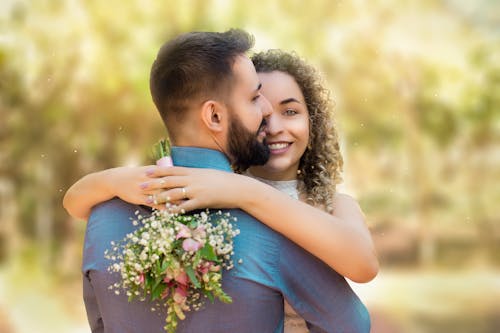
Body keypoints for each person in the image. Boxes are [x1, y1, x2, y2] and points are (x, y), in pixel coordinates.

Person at [64, 32, 376, 332]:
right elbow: (349, 325)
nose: (267, 114)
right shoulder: (272, 227)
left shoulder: (103, 217)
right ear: (214, 116)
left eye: (290, 110)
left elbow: (100, 323)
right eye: (255, 99)